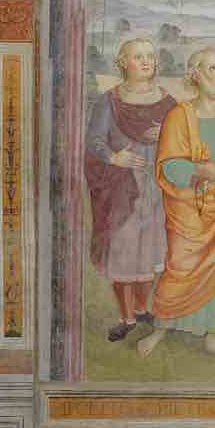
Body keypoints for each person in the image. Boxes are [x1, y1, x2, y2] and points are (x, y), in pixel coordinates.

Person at [137, 48, 215, 363]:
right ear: (195, 75)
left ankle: (214, 336)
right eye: (213, 67)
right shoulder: (179, 115)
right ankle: (161, 329)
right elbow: (168, 165)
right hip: (190, 210)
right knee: (180, 269)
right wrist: (197, 171)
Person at [84, 37, 177, 341]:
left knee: (150, 251)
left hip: (156, 189)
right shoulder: (109, 101)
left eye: (150, 56)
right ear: (123, 62)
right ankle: (126, 318)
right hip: (121, 189)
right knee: (123, 251)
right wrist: (114, 157)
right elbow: (94, 141)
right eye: (138, 56)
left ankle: (141, 309)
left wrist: (168, 131)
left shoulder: (168, 103)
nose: (147, 61)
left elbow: (185, 137)